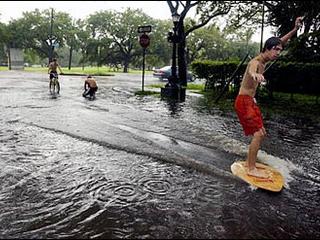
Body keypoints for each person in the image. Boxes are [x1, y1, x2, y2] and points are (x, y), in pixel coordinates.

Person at [234, 16, 303, 178]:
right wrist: (255, 75)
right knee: (258, 134)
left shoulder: (268, 56)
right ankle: (251, 168)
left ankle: (250, 162)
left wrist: (295, 28)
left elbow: (283, 40)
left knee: (261, 133)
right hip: (243, 102)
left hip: (250, 101)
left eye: (280, 50)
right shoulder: (256, 62)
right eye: (276, 50)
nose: (278, 53)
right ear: (267, 48)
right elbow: (251, 69)